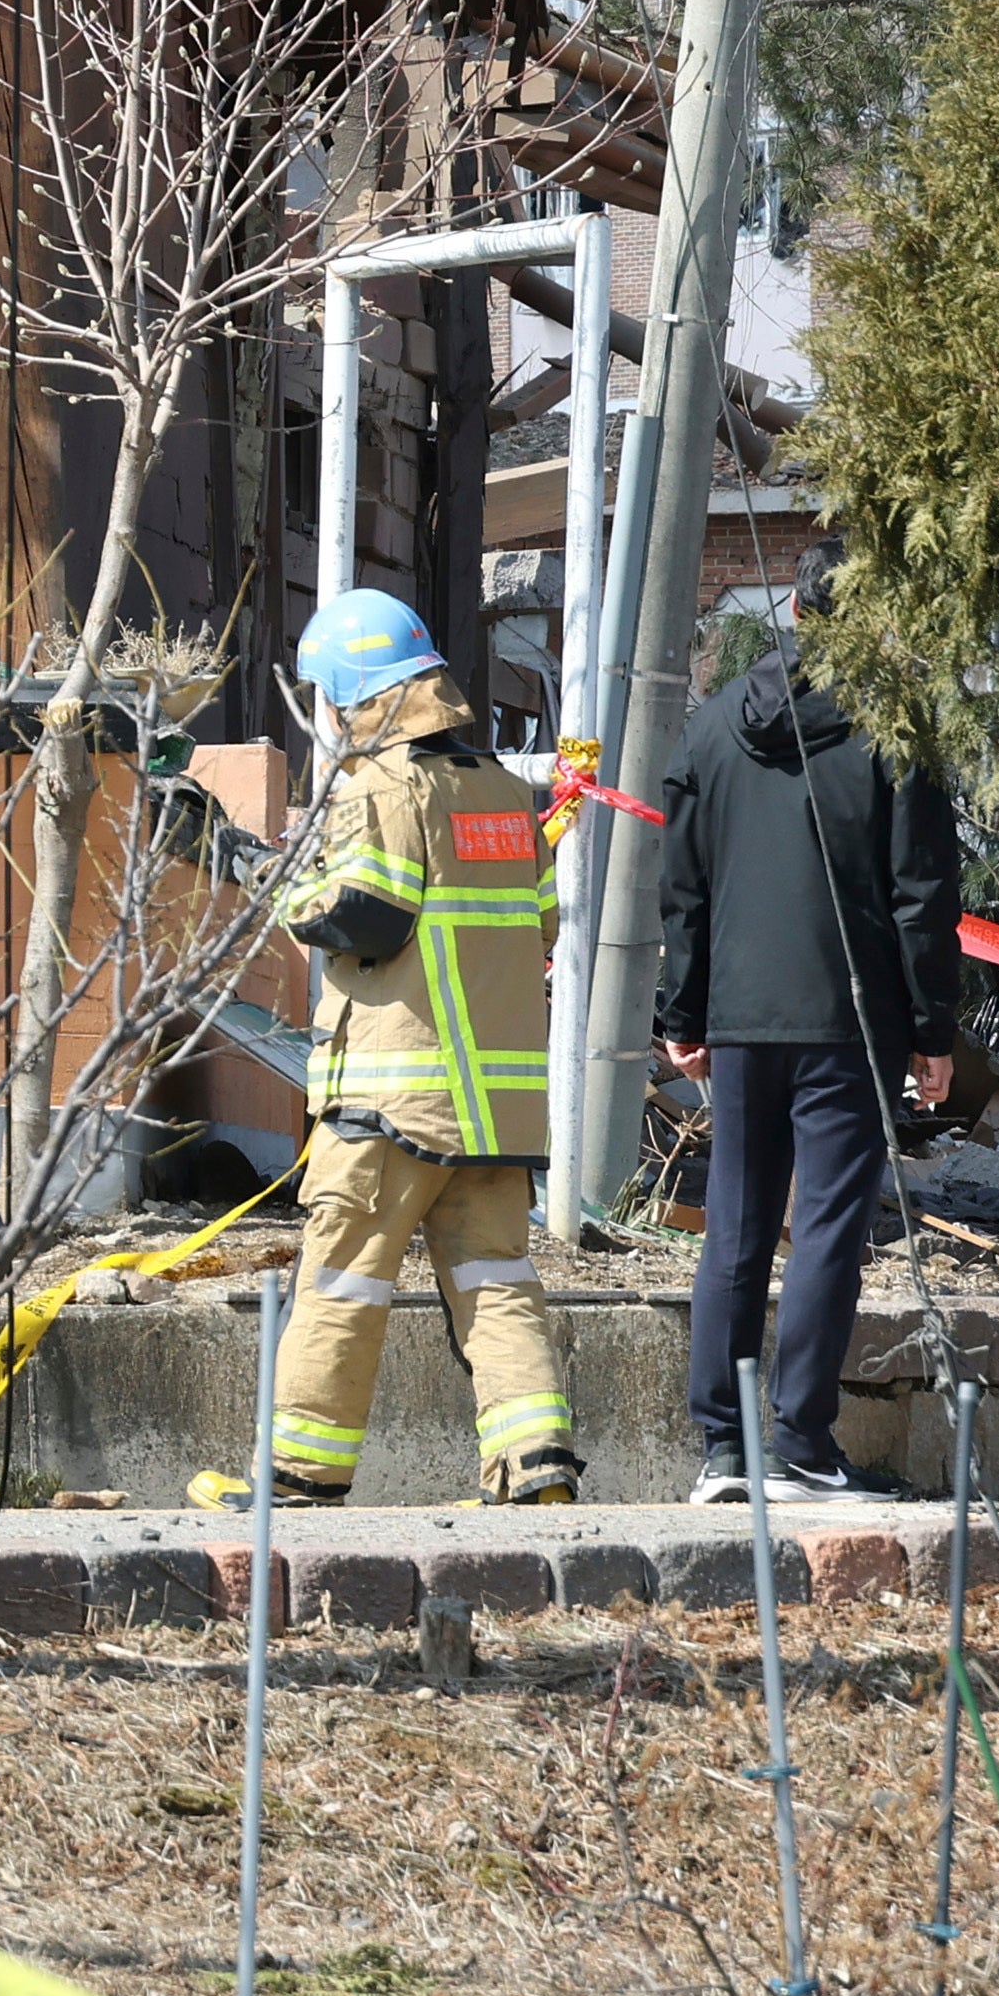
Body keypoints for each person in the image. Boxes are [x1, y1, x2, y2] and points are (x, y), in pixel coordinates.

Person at [193, 587, 579, 1513]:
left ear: (357, 696)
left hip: (391, 1105)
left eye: (328, 697)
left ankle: (295, 1481)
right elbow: (537, 924)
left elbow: (358, 917)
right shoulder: (500, 792)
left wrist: (248, 866)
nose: (326, 717)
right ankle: (539, 1471)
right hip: (494, 1114)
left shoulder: (381, 787)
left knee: (340, 1284)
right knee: (496, 1286)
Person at [658, 543, 961, 1501]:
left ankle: (721, 1450)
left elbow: (685, 889)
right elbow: (923, 895)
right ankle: (800, 1443)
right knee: (828, 1229)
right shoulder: (894, 733)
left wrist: (684, 1008)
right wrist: (934, 1029)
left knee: (736, 1229)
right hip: (848, 1018)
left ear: (792, 607)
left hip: (741, 1021)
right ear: (873, 619)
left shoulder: (711, 729)